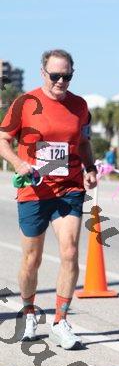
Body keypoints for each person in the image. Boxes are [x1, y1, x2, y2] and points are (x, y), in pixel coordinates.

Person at [0, 49, 97, 349]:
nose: (60, 82)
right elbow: (3, 140)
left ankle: (60, 320)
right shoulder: (25, 103)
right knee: (32, 259)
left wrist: (90, 168)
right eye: (55, 76)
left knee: (70, 252)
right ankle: (29, 311)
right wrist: (18, 163)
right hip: (34, 191)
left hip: (69, 189)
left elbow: (83, 142)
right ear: (43, 73)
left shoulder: (79, 106)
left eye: (67, 76)